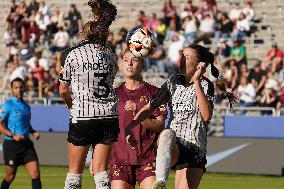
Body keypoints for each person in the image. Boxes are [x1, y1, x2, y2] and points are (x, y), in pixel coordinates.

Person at [125, 45, 237, 189]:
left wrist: (197, 80)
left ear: (198, 64)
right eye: (182, 56)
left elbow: (207, 116)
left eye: (187, 57)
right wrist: (130, 127)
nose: (182, 60)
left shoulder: (205, 85)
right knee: (166, 134)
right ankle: (160, 182)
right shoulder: (173, 82)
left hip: (195, 149)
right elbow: (149, 108)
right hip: (174, 146)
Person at [59, 0, 118, 189]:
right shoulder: (110, 54)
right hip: (109, 115)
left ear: (85, 34)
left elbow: (63, 90)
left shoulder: (73, 54)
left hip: (84, 114)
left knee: (74, 174)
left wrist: (70, 104)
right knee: (101, 173)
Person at [96, 50, 167, 189]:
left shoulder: (156, 93)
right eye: (125, 60)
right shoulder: (112, 95)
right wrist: (97, 160)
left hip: (147, 159)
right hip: (119, 160)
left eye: (134, 60)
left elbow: (159, 126)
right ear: (121, 65)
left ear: (142, 65)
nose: (129, 63)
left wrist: (139, 114)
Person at [0, 78, 41, 189]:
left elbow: (26, 124)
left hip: (26, 145)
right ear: (12, 90)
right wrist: (13, 135)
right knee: (10, 176)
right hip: (12, 145)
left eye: (21, 87)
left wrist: (33, 132)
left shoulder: (27, 106)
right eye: (16, 88)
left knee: (35, 173)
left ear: (24, 88)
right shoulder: (7, 105)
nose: (19, 90)